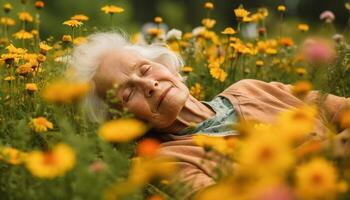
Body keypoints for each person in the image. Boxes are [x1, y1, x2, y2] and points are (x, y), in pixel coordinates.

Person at [70, 32, 350, 199]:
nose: (149, 85)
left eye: (144, 70)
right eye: (128, 94)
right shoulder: (162, 162)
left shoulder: (252, 88)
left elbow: (342, 109)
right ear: (122, 120)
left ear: (167, 66)